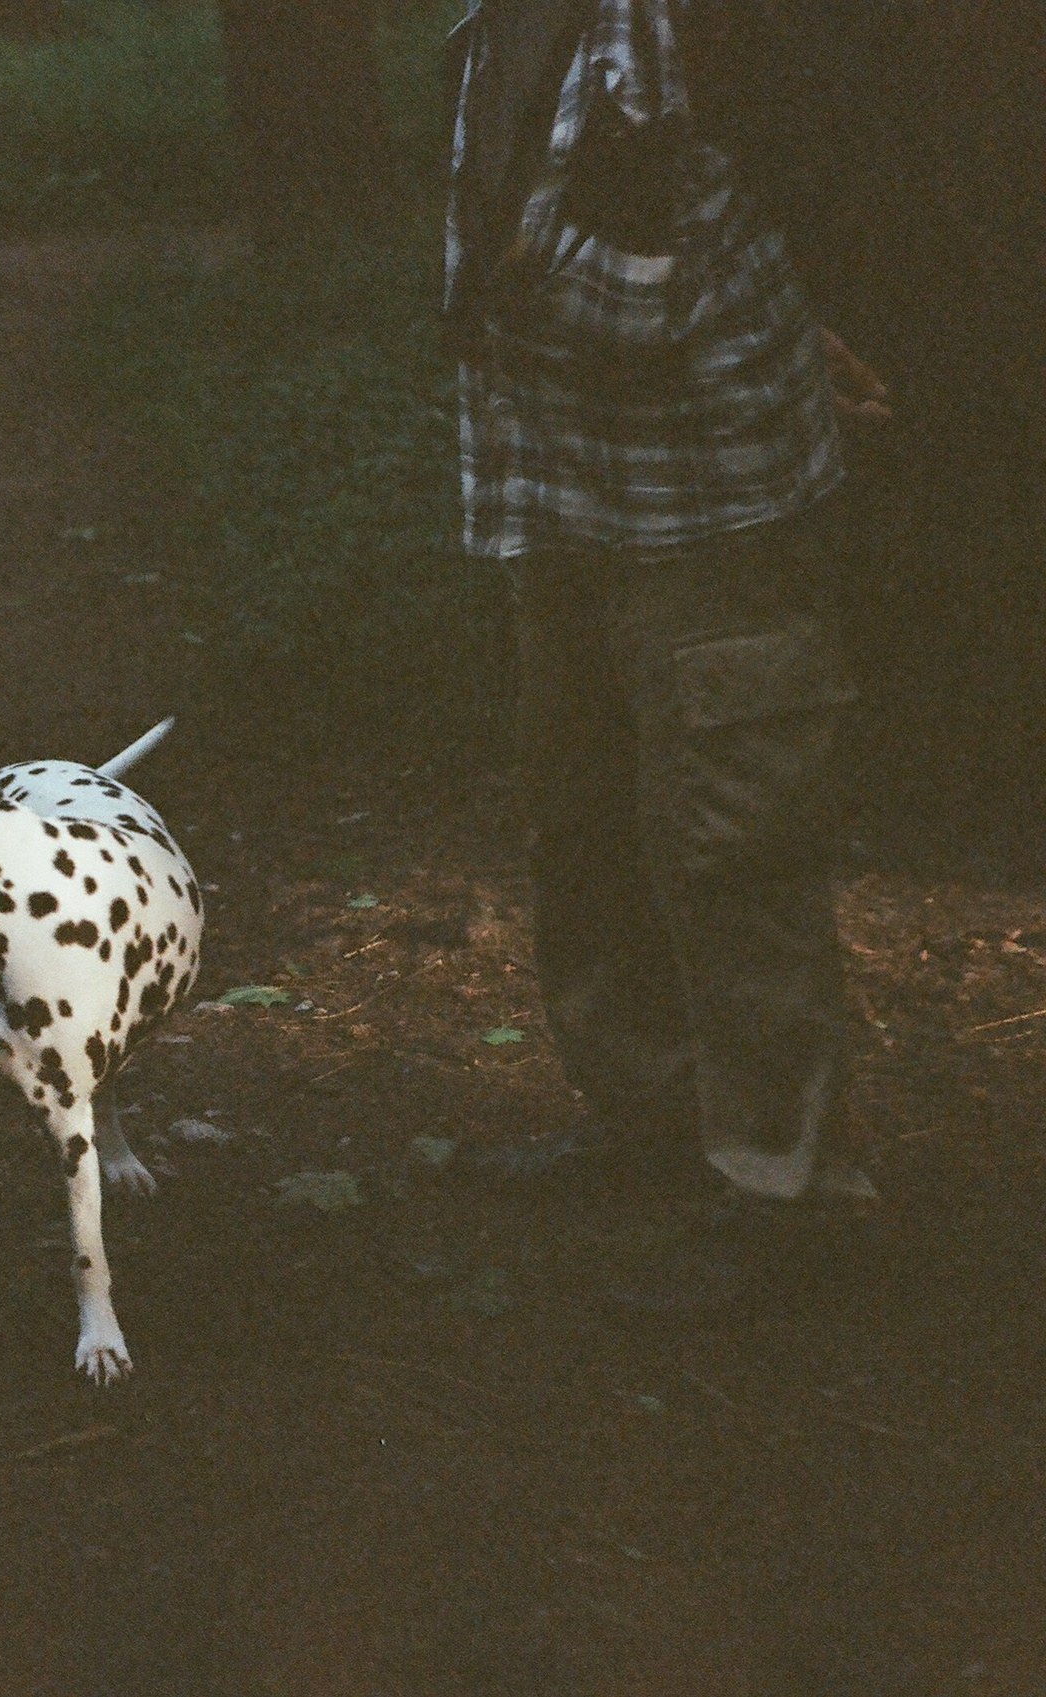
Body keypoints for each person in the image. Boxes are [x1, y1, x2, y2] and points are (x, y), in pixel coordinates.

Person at [445, 0, 892, 1307]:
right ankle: (648, 1108)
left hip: (703, 506)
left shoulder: (642, 17)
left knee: (729, 838)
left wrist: (488, 272)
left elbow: (633, 296)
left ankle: (789, 1189)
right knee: (581, 812)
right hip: (570, 494)